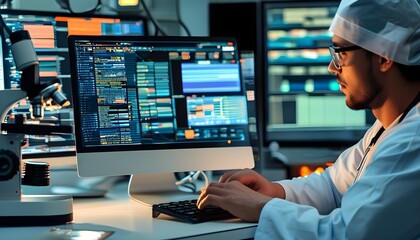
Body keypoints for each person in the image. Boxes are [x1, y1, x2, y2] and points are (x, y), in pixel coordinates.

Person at [197, 0, 420, 239]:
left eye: (340, 54)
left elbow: (347, 234)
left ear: (384, 57)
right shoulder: (392, 124)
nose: (331, 68)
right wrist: (275, 191)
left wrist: (260, 207)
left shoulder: (412, 141)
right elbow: (334, 186)